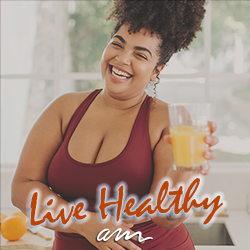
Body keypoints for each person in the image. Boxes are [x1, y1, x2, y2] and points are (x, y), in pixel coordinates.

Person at [11, 1, 218, 249]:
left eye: (140, 55)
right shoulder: (64, 109)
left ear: (156, 70)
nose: (121, 59)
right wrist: (84, 222)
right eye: (117, 44)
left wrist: (186, 170)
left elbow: (166, 217)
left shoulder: (168, 120)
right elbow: (23, 188)